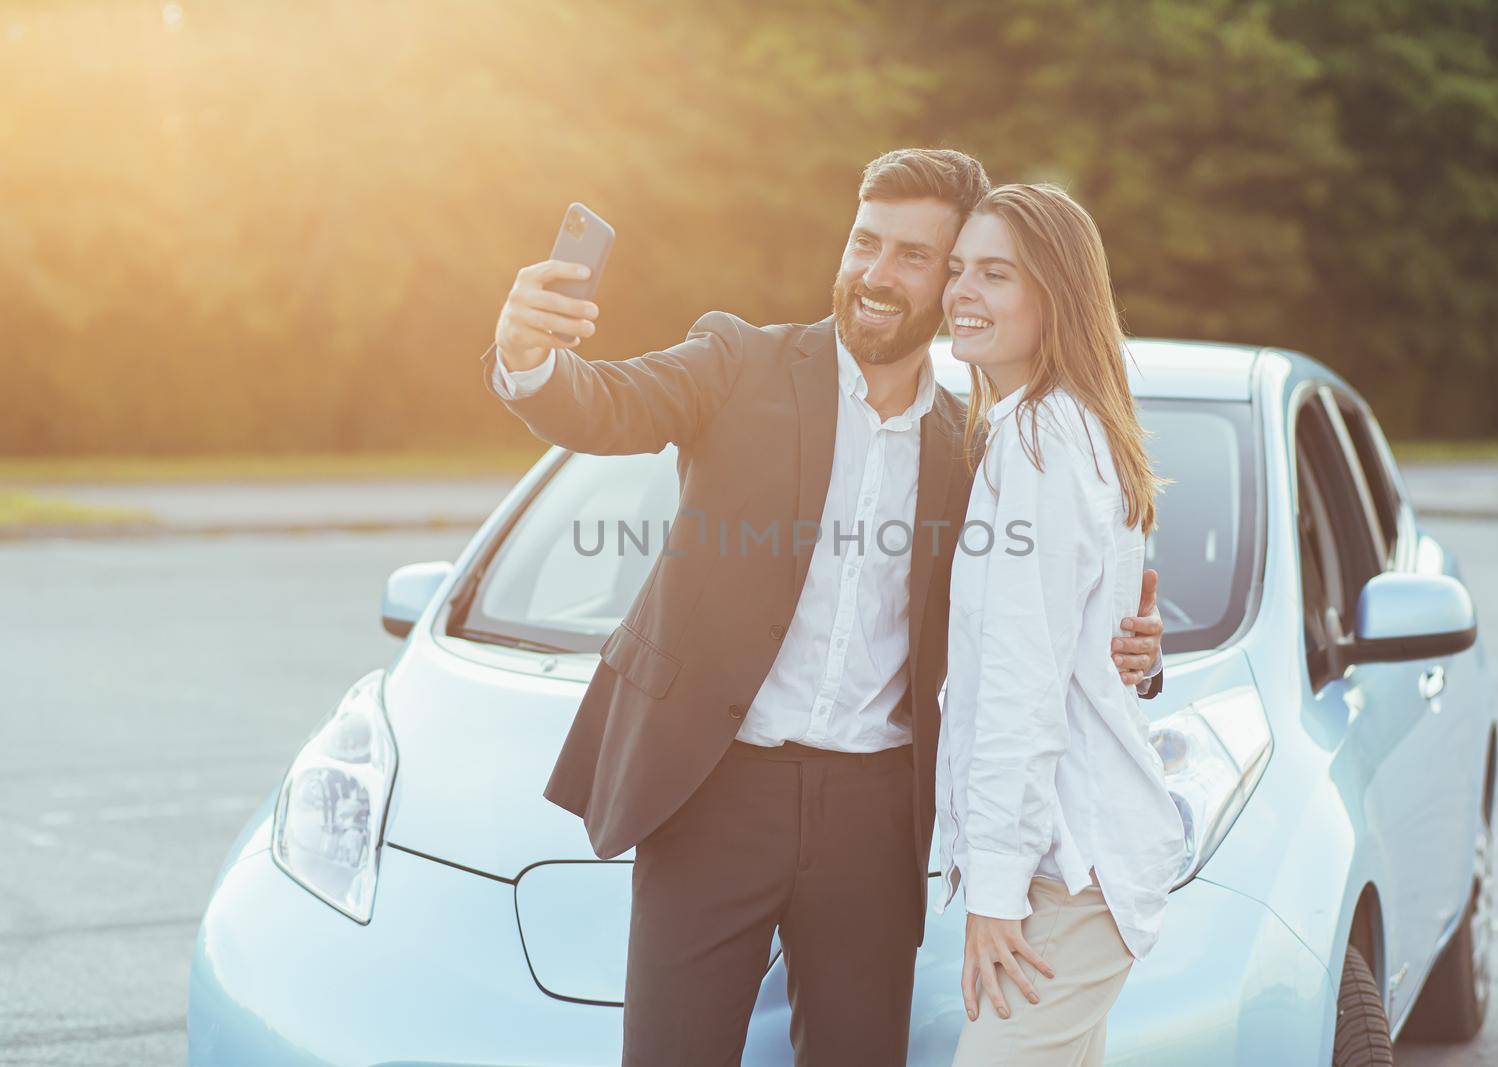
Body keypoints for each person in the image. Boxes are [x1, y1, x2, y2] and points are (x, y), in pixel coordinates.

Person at [481, 150, 1168, 1067]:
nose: (878, 274)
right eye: (864, 243)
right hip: (715, 793)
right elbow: (609, 405)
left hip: (874, 816)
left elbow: (1034, 617)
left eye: (915, 257)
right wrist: (530, 358)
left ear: (947, 284)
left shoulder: (974, 448)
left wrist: (1134, 647)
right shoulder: (740, 362)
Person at [934, 182, 1190, 1067]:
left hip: (1064, 876)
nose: (961, 291)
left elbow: (1021, 681)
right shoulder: (1058, 429)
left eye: (995, 273)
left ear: (1056, 296)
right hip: (1068, 866)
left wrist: (996, 890)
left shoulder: (1042, 441)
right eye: (959, 269)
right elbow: (1093, 643)